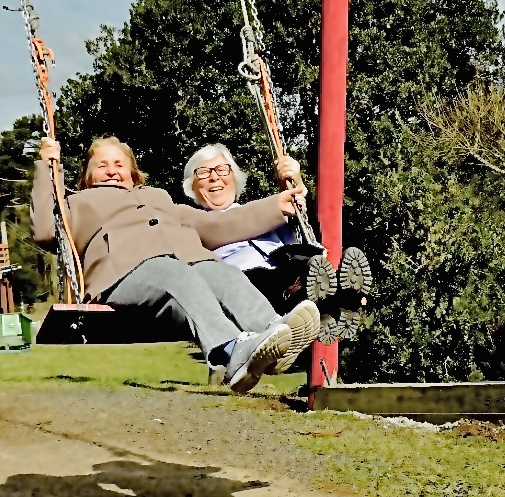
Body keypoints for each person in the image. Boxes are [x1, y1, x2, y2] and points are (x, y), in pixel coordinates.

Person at [32, 136, 320, 392]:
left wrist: (275, 206)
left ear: (133, 176)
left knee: (221, 272)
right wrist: (47, 169)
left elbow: (217, 224)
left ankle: (275, 334)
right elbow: (45, 231)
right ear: (87, 176)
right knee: (176, 273)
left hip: (183, 266)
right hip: (121, 272)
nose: (111, 170)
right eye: (102, 164)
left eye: (119, 164)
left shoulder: (160, 199)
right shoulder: (75, 203)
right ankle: (231, 351)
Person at [182, 144, 373, 341]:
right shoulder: (190, 223)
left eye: (222, 170)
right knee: (261, 279)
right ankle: (322, 301)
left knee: (301, 263)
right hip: (246, 284)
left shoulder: (269, 214)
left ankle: (340, 299)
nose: (214, 177)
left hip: (288, 270)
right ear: (192, 187)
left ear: (234, 178)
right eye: (203, 173)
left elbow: (308, 230)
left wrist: (296, 184)